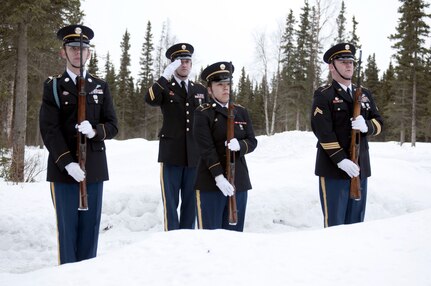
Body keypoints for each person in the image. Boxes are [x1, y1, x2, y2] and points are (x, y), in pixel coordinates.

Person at [39, 24, 118, 264]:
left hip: (93, 168)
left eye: (83, 49)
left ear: (89, 53)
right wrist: (67, 162)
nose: (78, 53)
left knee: (90, 231)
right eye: (73, 48)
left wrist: (95, 131)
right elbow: (49, 129)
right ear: (63, 52)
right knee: (68, 230)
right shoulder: (53, 86)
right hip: (64, 171)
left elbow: (113, 126)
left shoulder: (100, 86)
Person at [311, 43, 383, 227]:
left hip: (360, 168)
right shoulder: (324, 95)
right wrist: (341, 160)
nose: (349, 65)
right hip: (334, 169)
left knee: (357, 223)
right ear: (331, 66)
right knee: (335, 224)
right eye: (343, 62)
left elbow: (379, 122)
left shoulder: (364, 94)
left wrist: (367, 125)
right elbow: (322, 131)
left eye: (351, 61)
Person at [145, 43, 208, 231]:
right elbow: (150, 99)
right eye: (180, 61)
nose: (185, 65)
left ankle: (187, 240)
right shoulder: (165, 87)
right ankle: (170, 239)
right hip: (171, 154)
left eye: (188, 61)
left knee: (191, 203)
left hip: (194, 156)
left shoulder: (200, 90)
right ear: (173, 64)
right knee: (171, 204)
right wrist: (165, 75)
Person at [193, 61, 257, 231]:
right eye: (220, 84)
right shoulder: (203, 113)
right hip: (211, 182)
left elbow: (252, 141)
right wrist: (218, 177)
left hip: (239, 181)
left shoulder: (240, 111)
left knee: (235, 237)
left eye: (228, 84)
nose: (225, 88)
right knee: (210, 236)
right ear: (209, 89)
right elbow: (206, 148)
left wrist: (241, 146)